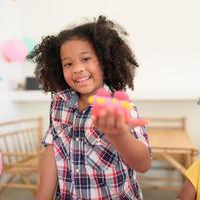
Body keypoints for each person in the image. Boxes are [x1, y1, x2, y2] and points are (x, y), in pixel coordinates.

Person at [27, 15, 151, 200]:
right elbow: (53, 150)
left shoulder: (118, 107)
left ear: (105, 60)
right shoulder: (61, 102)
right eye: (68, 64)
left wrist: (119, 136)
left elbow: (143, 164)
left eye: (85, 59)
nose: (77, 68)